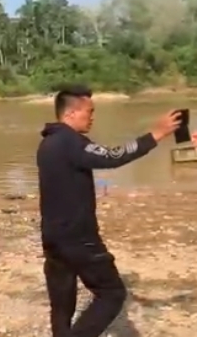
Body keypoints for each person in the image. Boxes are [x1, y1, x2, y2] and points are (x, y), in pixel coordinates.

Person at [37, 85, 182, 337]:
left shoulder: (47, 143)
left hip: (53, 238)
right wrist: (156, 134)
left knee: (62, 305)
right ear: (70, 114)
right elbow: (113, 156)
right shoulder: (71, 142)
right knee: (112, 293)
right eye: (89, 112)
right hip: (78, 238)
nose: (92, 117)